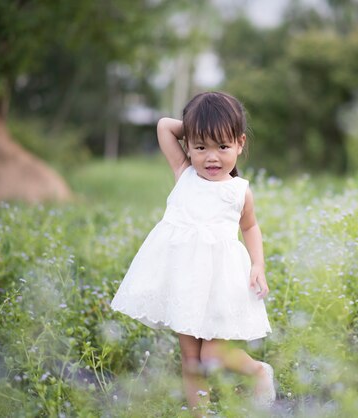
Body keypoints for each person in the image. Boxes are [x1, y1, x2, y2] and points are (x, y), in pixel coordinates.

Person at [110, 91, 275, 414]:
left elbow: (250, 228)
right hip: (184, 281)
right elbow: (163, 126)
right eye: (201, 147)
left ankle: (258, 371)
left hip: (219, 284)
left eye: (223, 147)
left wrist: (258, 264)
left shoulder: (239, 191)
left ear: (240, 143)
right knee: (191, 360)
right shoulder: (184, 172)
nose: (211, 157)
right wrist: (200, 127)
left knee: (211, 357)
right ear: (188, 146)